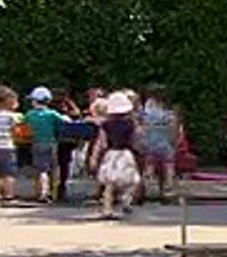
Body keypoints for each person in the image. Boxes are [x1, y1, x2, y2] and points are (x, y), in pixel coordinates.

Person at [91, 91, 141, 219]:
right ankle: (126, 199)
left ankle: (107, 209)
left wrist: (94, 158)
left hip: (111, 154)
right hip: (125, 154)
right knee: (132, 181)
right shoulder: (131, 124)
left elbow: (102, 143)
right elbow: (136, 140)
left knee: (109, 183)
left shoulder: (105, 125)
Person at [24, 86, 67, 203]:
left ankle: (42, 193)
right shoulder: (52, 114)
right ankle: (54, 193)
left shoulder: (29, 114)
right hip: (51, 143)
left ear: (34, 101)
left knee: (41, 170)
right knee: (53, 168)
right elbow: (65, 122)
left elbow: (23, 125)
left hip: (37, 143)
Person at [139, 87, 180, 198]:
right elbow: (174, 131)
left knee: (149, 166)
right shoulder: (169, 114)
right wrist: (174, 143)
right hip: (165, 145)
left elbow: (141, 129)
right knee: (168, 167)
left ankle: (147, 189)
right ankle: (167, 190)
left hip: (149, 144)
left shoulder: (145, 113)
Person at [0, 85, 23, 203]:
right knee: (8, 173)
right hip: (6, 146)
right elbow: (16, 131)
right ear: (8, 101)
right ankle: (9, 196)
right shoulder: (11, 116)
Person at [52, 89, 84, 202]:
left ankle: (59, 189)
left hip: (62, 142)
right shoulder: (68, 109)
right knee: (64, 166)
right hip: (66, 142)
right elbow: (78, 116)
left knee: (61, 166)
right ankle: (60, 189)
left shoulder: (52, 109)